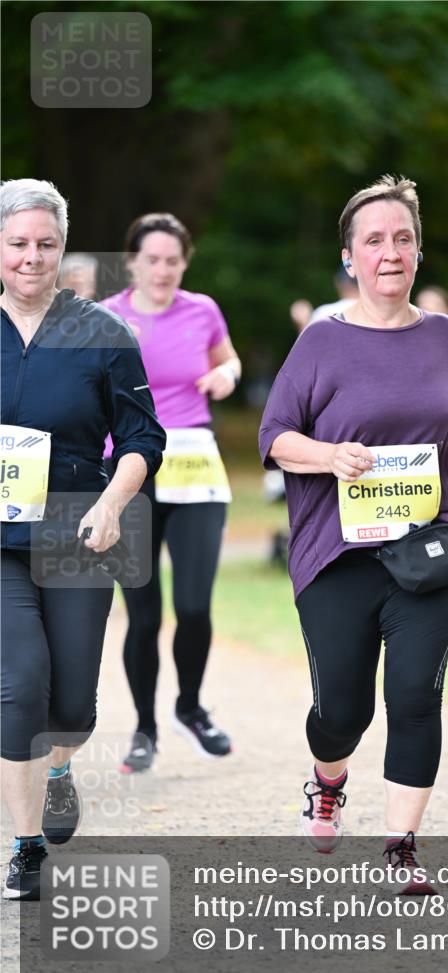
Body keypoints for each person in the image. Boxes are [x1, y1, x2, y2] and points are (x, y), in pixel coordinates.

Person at [259, 175, 448, 890]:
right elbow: (274, 436)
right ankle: (328, 779)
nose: (390, 252)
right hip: (337, 553)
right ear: (349, 257)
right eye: (374, 240)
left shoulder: (443, 335)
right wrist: (329, 456)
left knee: (413, 697)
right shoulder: (322, 341)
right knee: (341, 711)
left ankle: (401, 848)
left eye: (402, 239)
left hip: (428, 546)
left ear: (418, 252)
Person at [1, 179, 165, 900]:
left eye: (45, 244)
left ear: (62, 248)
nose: (31, 257)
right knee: (19, 684)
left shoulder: (103, 332)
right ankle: (26, 845)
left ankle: (60, 766)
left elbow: (142, 438)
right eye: (17, 244)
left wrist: (111, 504)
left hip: (78, 531)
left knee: (70, 707)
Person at [101, 213, 241, 774]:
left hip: (193, 463)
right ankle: (144, 729)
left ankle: (189, 708)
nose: (162, 270)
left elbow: (228, 359)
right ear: (132, 261)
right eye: (152, 260)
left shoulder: (203, 310)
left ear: (185, 263)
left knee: (194, 606)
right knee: (143, 614)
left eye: (173, 261)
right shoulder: (106, 316)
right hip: (129, 471)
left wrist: (228, 375)